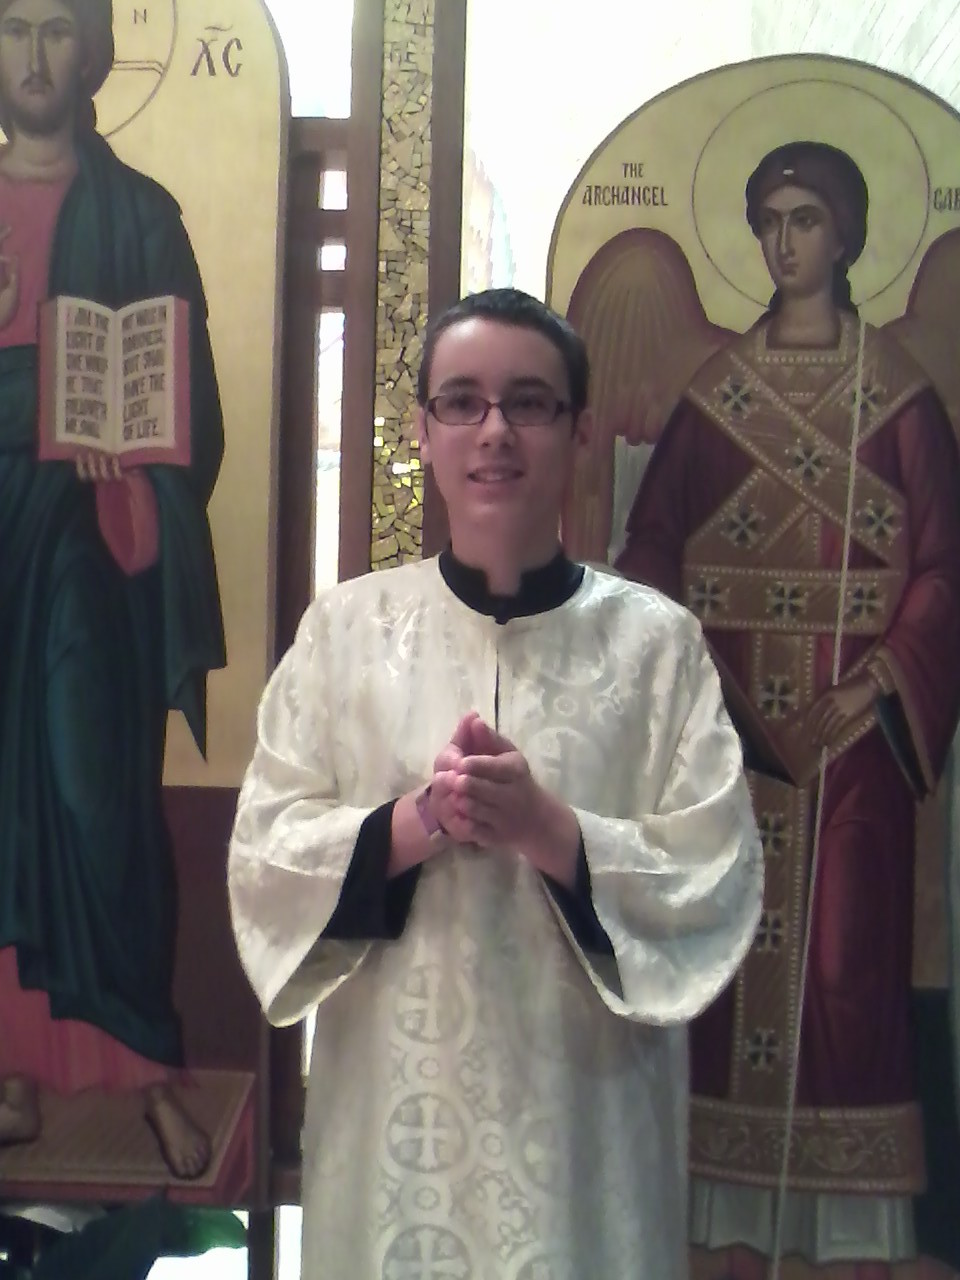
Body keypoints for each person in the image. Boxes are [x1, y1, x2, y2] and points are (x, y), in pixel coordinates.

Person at [229, 286, 763, 1277]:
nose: (495, 431)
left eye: (530, 401)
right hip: (396, 1107)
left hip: (585, 1122)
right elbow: (267, 852)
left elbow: (716, 874)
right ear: (423, 431)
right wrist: (417, 821)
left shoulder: (657, 646)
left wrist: (549, 830)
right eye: (463, 401)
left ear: (580, 431)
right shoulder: (346, 632)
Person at [616, 143, 960, 1278]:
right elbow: (653, 542)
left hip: (856, 734)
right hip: (734, 729)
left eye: (807, 219)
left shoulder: (898, 394)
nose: (785, 241)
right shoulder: (719, 392)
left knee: (848, 957)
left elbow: (946, 568)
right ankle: (723, 1217)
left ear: (850, 234)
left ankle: (849, 1227)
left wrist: (872, 683)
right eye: (769, 220)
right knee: (727, 948)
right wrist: (703, 681)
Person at [0, 0, 226, 1179]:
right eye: (12, 31)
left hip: (88, 547)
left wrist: (131, 460)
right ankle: (12, 1068)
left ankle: (144, 1069)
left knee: (98, 801)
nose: (35, 59)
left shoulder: (140, 215)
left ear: (91, 53)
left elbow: (193, 408)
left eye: (55, 32)